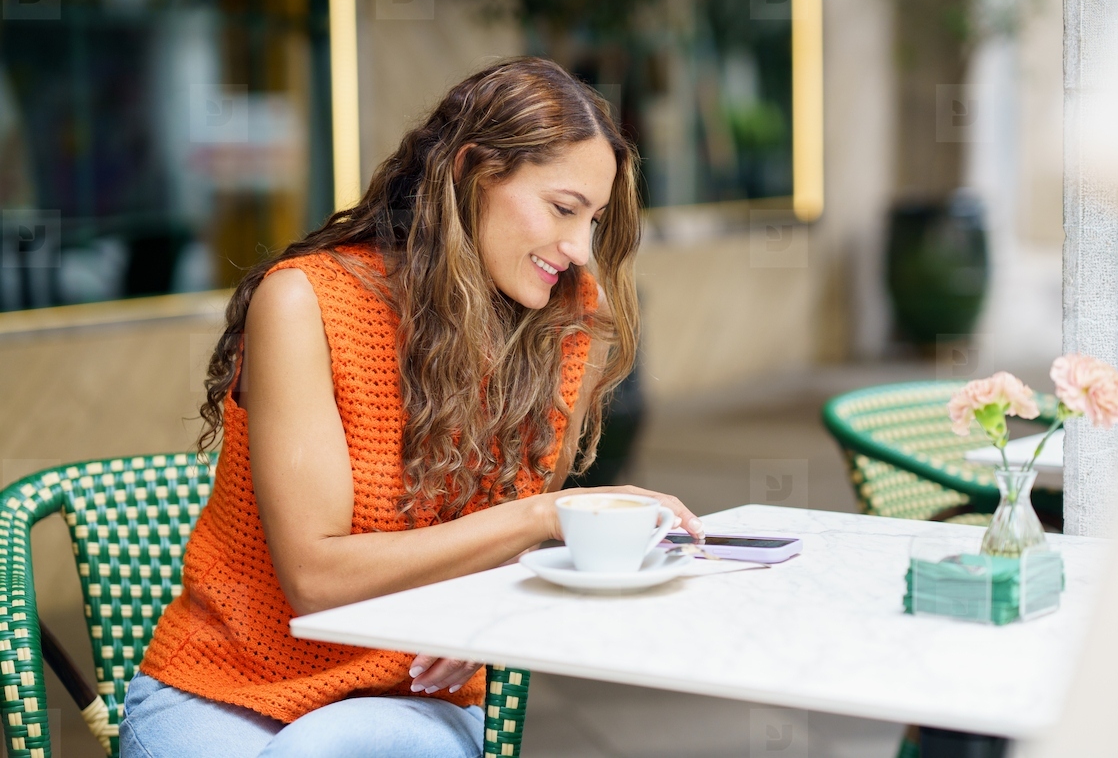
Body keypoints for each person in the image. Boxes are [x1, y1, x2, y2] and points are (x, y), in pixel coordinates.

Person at [119, 56, 704, 758]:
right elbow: (316, 580)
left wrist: (483, 615)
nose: (580, 249)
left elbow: (505, 559)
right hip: (222, 686)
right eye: (561, 209)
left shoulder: (563, 321)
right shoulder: (307, 304)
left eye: (595, 219)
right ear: (470, 172)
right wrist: (544, 518)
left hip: (412, 693)